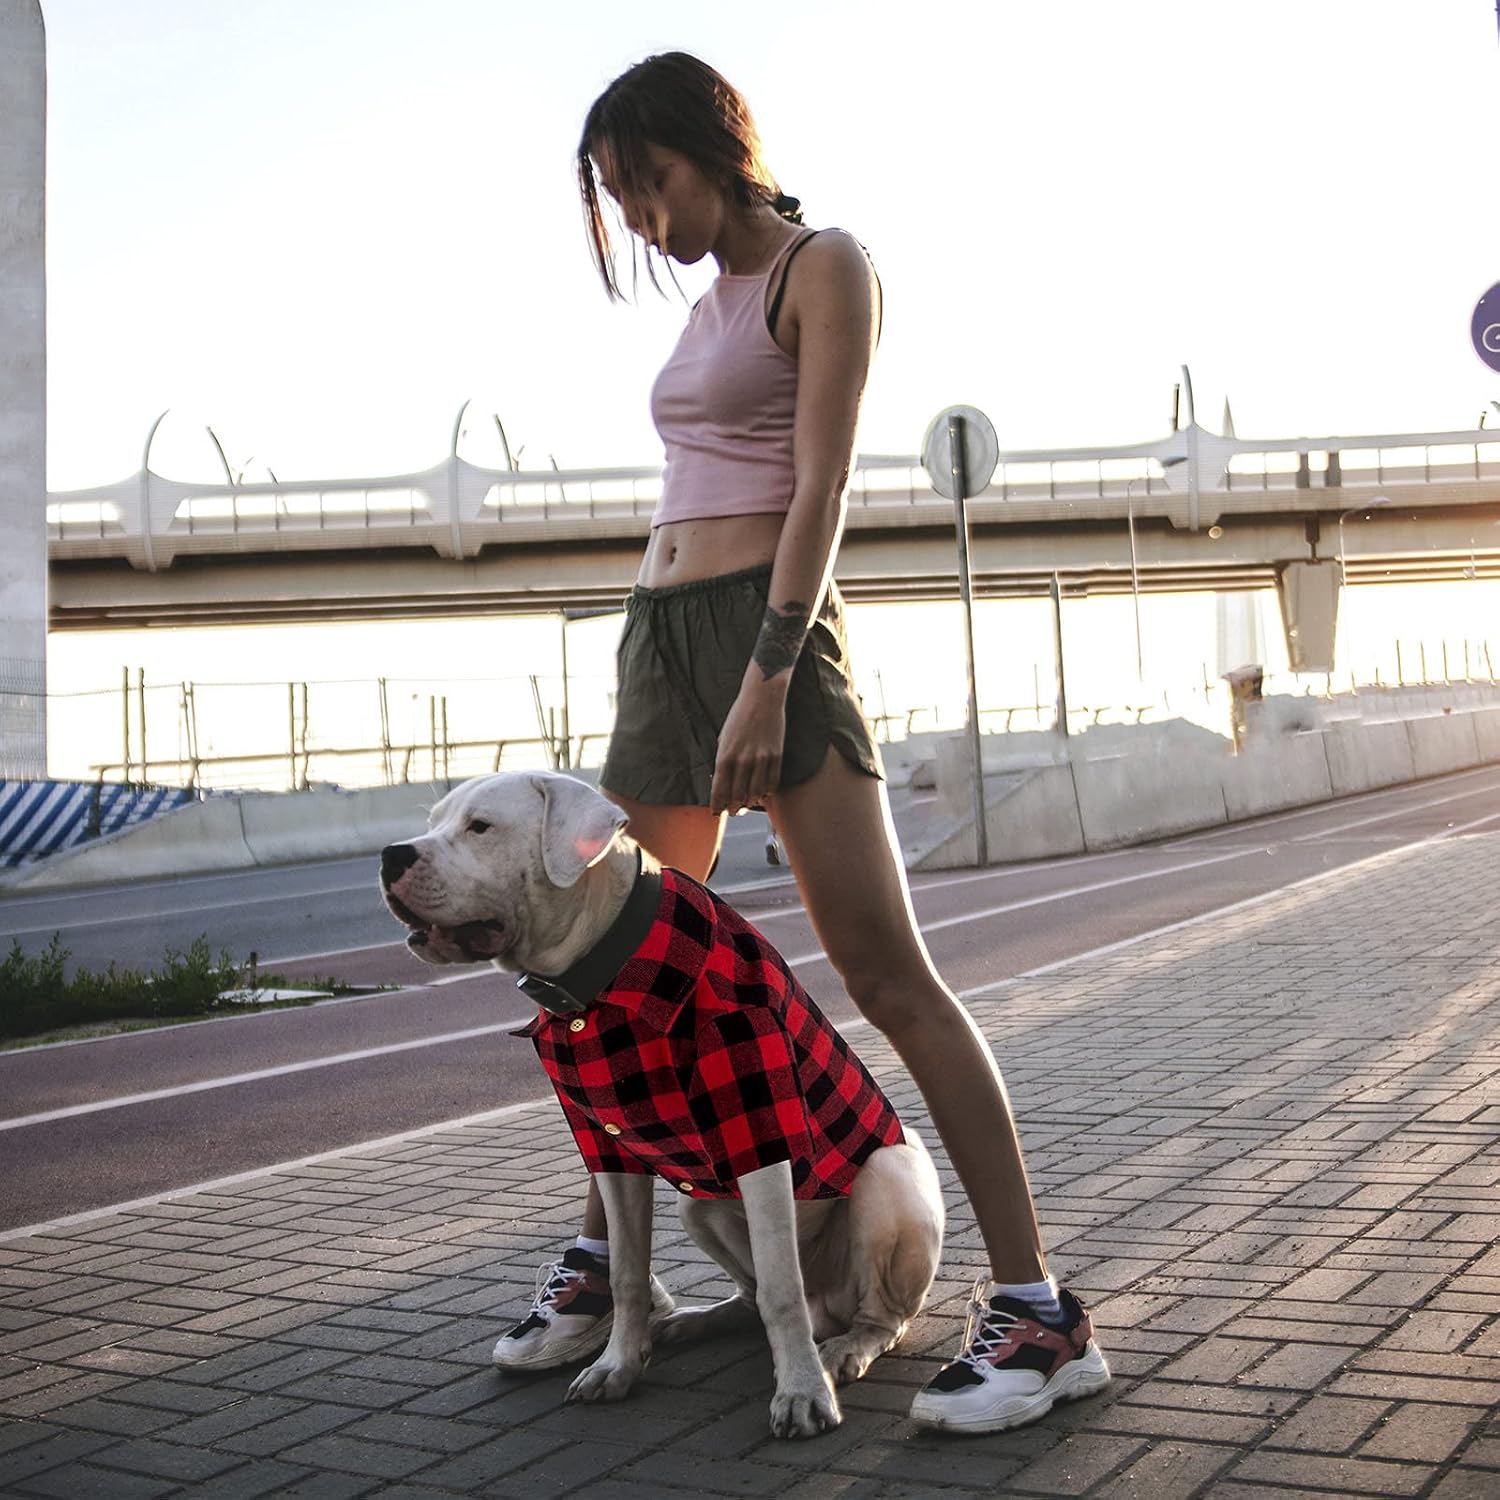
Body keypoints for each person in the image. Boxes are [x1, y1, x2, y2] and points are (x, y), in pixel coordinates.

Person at [492, 50, 1110, 1435]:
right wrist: (669, 656)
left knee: (888, 974)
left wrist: (767, 677)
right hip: (663, 644)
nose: (640, 218)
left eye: (647, 181)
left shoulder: (821, 266)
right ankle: (608, 1269)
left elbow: (819, 486)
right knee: (608, 977)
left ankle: (1039, 1312)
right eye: (618, 199)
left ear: (714, 146)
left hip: (765, 641)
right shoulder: (708, 303)